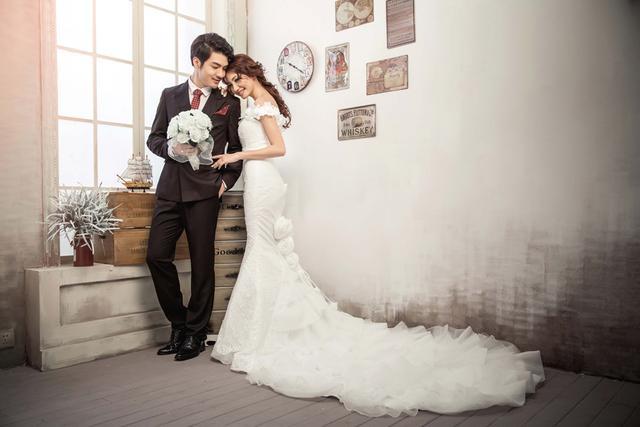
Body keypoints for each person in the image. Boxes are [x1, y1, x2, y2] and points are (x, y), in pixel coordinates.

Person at [209, 54, 545, 416]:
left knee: (262, 249)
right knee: (262, 250)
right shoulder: (250, 104)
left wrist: (236, 157)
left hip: (264, 182)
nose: (235, 86)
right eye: (231, 82)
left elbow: (279, 148)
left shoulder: (263, 103)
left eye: (238, 79)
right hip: (258, 181)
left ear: (250, 73)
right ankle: (257, 329)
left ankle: (260, 334)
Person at [146, 33, 242, 362]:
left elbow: (236, 149)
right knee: (157, 256)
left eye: (224, 68)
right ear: (196, 62)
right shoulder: (169, 95)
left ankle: (196, 333)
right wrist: (170, 149)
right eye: (215, 66)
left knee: (202, 264)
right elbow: (154, 138)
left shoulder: (229, 103)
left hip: (205, 192)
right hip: (169, 190)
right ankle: (179, 324)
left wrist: (224, 183)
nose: (220, 74)